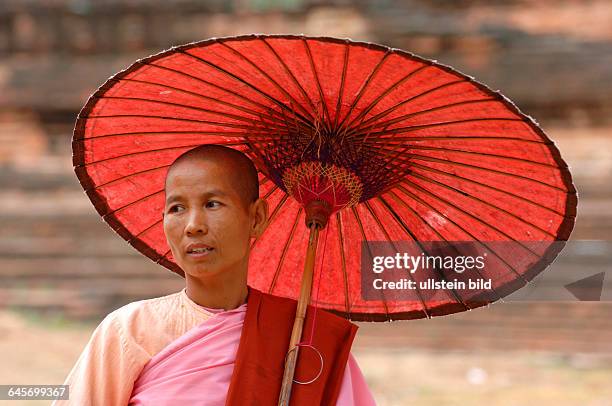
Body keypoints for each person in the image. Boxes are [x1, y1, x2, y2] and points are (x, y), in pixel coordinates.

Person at [53, 144, 377, 405]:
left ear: (257, 218)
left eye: (212, 204)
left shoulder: (309, 344)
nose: (193, 225)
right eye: (176, 208)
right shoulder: (130, 331)